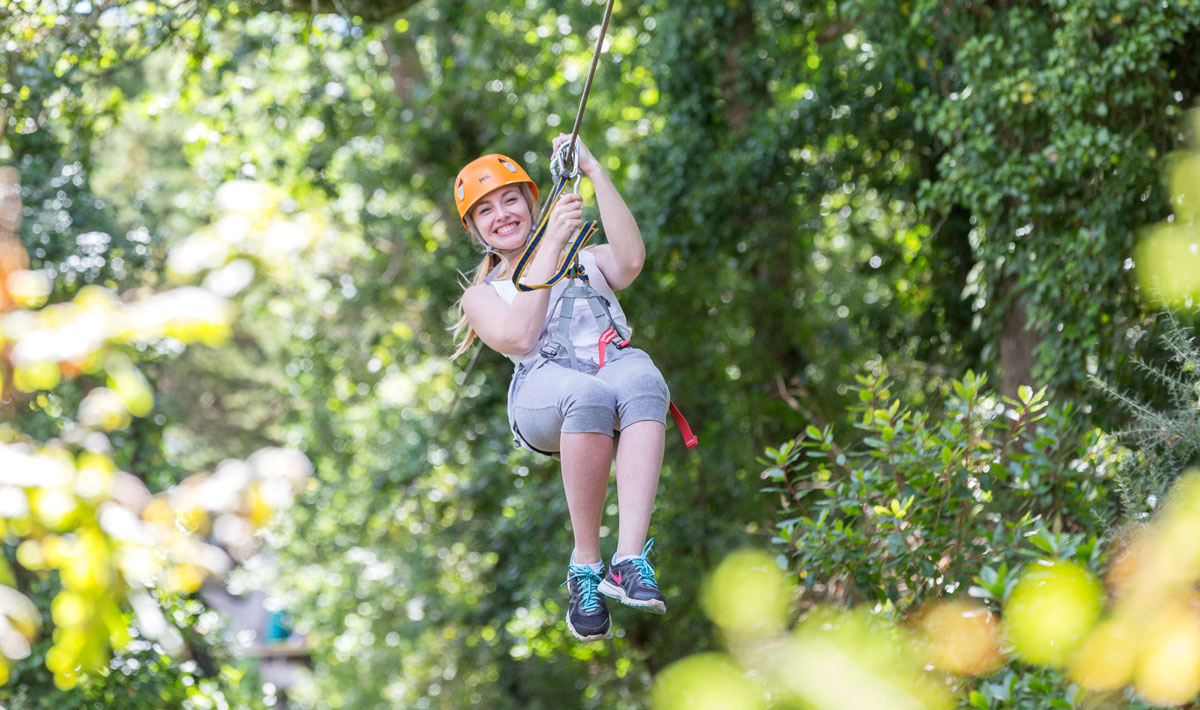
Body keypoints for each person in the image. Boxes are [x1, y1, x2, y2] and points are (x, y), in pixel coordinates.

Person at [451, 134, 669, 641]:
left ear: (530, 203)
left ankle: (630, 560)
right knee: (586, 396)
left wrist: (593, 170)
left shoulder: (585, 259)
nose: (501, 213)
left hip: (607, 367)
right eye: (486, 210)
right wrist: (548, 244)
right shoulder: (483, 296)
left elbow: (631, 260)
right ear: (475, 229)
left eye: (509, 200)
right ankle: (585, 566)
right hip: (542, 393)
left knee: (642, 377)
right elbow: (521, 336)